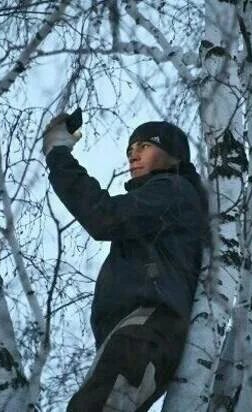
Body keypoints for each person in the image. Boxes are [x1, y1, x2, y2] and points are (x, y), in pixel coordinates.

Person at [43, 113, 208, 411]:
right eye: (130, 150)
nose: (133, 155)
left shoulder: (172, 189)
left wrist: (58, 154)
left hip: (148, 323)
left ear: (173, 155)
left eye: (144, 146)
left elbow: (104, 216)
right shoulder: (162, 202)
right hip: (136, 332)